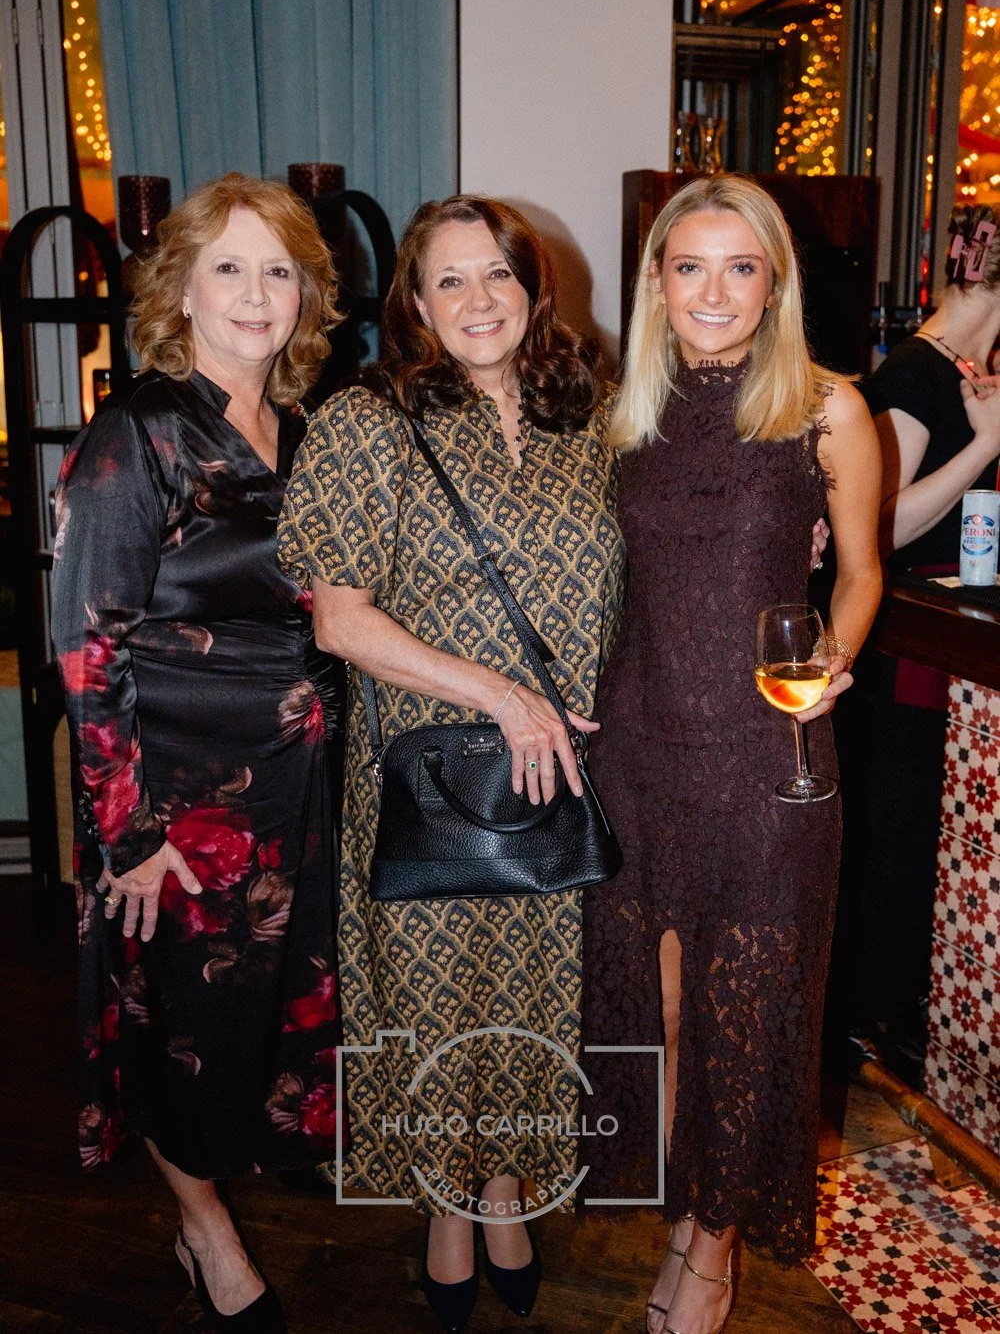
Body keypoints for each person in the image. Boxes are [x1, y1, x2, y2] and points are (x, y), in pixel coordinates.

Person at [278, 194, 626, 1332]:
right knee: (431, 999)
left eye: (498, 275)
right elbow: (339, 621)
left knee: (536, 991)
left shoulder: (594, 417)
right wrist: (502, 695)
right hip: (426, 772)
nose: (480, 300)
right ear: (416, 305)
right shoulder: (367, 422)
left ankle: (507, 1191)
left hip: (559, 776)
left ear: (534, 286)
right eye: (450, 281)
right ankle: (444, 1205)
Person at [581, 174, 882, 1334]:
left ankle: (711, 1250)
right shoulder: (620, 414)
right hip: (638, 749)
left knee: (746, 1009)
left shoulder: (823, 409)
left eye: (740, 267)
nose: (714, 291)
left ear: (773, 285)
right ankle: (677, 1211)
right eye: (689, 266)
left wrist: (829, 667)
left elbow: (857, 572)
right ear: (656, 280)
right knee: (650, 1014)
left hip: (769, 756)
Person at [51, 172, 343, 1333]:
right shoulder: (138, 431)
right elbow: (83, 647)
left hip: (299, 788)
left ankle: (236, 1171)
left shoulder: (310, 428)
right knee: (180, 1030)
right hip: (176, 805)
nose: (256, 292)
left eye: (279, 268)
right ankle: (203, 1229)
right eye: (229, 265)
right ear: (183, 287)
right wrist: (125, 834)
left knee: (259, 1018)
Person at [849, 202, 1000, 1076]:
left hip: (941, 643)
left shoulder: (969, 369)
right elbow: (877, 523)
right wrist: (983, 449)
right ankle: (881, 1017)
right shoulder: (913, 371)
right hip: (903, 650)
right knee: (903, 839)